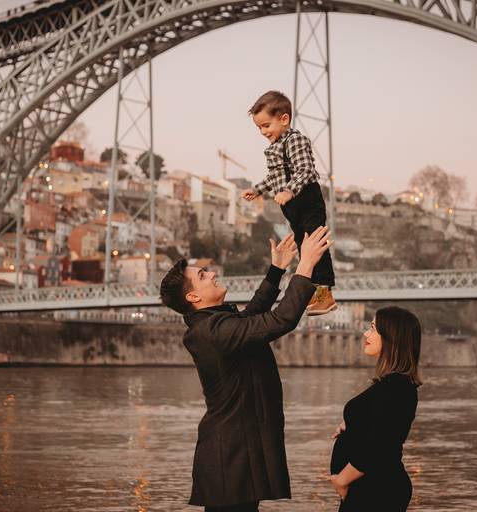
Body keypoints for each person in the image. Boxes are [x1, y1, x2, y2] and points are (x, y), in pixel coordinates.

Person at [159, 228, 333, 511]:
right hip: (229, 457)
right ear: (192, 297)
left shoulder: (213, 325)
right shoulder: (211, 332)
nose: (212, 274)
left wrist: (277, 270)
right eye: (202, 276)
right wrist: (305, 267)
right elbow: (280, 320)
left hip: (235, 452)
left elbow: (252, 315)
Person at [241, 90, 337, 316]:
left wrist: (289, 191)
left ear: (284, 119)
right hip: (291, 205)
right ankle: (314, 293)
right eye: (259, 128)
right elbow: (275, 177)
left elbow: (306, 171)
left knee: (314, 245)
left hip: (306, 199)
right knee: (306, 249)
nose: (263, 132)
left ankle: (325, 295)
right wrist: (257, 190)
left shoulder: (295, 140)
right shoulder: (275, 146)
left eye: (266, 125)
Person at [328, 306, 422, 511]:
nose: (365, 334)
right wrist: (351, 424)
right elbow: (379, 423)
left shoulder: (397, 388)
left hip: (377, 491)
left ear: (391, 337)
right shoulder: (392, 385)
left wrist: (342, 480)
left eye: (372, 328)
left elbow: (381, 446)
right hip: (370, 488)